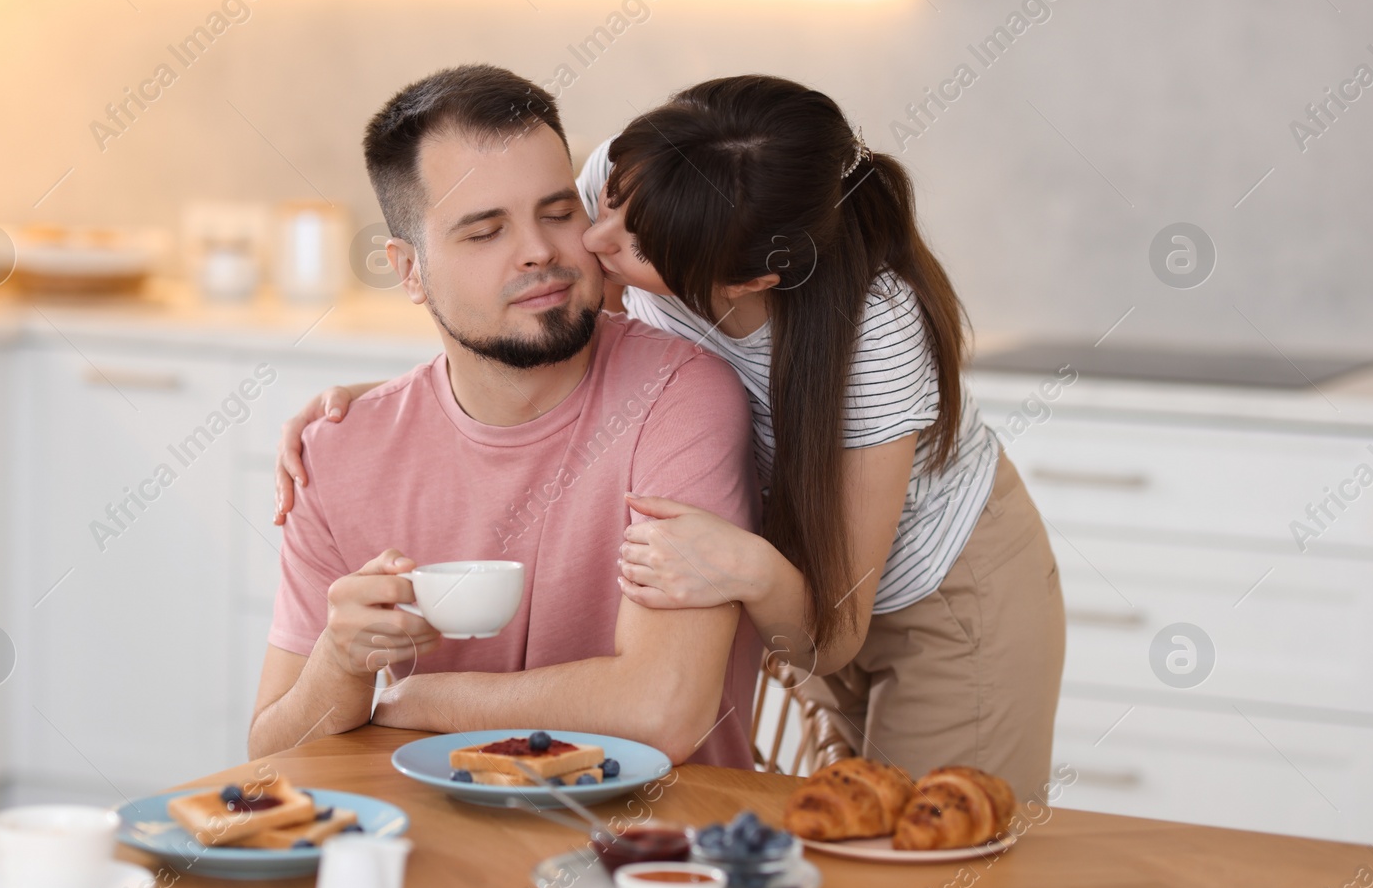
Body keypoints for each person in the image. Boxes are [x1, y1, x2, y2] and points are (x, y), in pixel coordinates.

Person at [275, 75, 1065, 800]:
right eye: (601, 201)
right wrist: (387, 407)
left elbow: (832, 633)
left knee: (934, 853)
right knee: (847, 843)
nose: (587, 240)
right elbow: (512, 320)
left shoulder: (873, 343)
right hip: (797, 554)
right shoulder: (630, 189)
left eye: (637, 246)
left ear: (748, 279)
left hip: (927, 593)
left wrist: (753, 569)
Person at [249, 65, 763, 769]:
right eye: (485, 230)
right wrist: (339, 665)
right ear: (409, 271)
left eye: (558, 212)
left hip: (657, 854)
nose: (541, 251)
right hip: (433, 854)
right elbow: (268, 758)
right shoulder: (338, 453)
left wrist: (411, 702)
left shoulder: (682, 396)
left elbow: (661, 710)